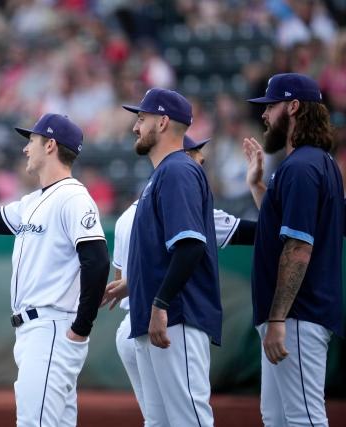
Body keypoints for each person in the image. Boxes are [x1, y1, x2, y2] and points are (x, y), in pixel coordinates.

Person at [0, 114, 110, 427]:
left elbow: (98, 260)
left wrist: (82, 326)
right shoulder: (33, 201)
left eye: (33, 141)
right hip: (35, 331)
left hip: (52, 327)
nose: (26, 149)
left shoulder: (73, 197)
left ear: (50, 145)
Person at [102, 135, 256, 420]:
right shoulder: (185, 202)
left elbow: (123, 276)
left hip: (133, 327)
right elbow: (247, 232)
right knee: (190, 417)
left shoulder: (129, 213)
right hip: (168, 320)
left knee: (158, 420)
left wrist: (133, 285)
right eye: (197, 156)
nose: (201, 163)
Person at [243, 73, 343, 427]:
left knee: (303, 419)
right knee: (278, 418)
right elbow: (280, 227)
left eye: (271, 105)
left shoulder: (301, 167)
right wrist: (257, 186)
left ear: (294, 106)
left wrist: (278, 318)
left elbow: (299, 247)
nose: (265, 115)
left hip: (297, 314)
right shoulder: (316, 163)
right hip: (297, 314)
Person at [121, 88, 220, 426]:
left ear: (162, 122)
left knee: (188, 420)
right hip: (159, 320)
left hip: (176, 317)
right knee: (160, 422)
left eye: (142, 118)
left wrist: (161, 303)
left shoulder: (178, 170)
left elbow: (191, 245)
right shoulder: (163, 173)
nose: (136, 127)